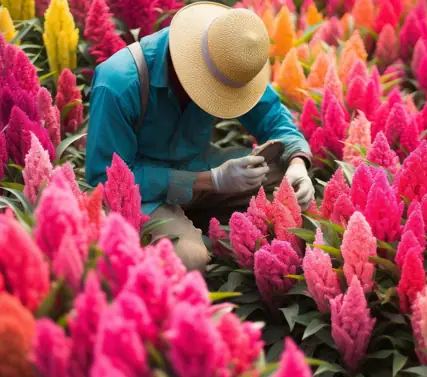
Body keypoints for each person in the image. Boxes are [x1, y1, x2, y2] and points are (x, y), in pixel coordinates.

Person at [86, 2, 314, 272]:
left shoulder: (229, 61)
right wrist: (213, 180)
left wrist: (298, 164)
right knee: (187, 260)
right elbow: (106, 178)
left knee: (286, 178)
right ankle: (191, 225)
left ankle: (199, 217)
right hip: (145, 191)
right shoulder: (119, 84)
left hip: (198, 168)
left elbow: (274, 118)